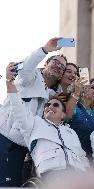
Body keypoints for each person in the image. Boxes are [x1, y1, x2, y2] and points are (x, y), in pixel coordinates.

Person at [5, 63, 89, 181]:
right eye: (47, 105)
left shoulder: (70, 132)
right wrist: (10, 83)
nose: (50, 107)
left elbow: (82, 156)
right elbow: (18, 108)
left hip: (78, 178)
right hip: (51, 177)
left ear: (62, 114)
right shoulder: (34, 124)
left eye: (56, 105)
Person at [0, 37, 66, 186]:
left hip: (22, 147)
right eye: (54, 63)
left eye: (61, 67)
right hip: (5, 139)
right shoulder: (30, 77)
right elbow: (27, 67)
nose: (58, 67)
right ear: (45, 65)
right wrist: (45, 49)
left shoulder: (50, 94)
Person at [65, 77, 94, 162]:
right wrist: (76, 92)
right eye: (92, 87)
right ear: (83, 90)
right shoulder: (76, 108)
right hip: (77, 161)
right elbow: (67, 115)